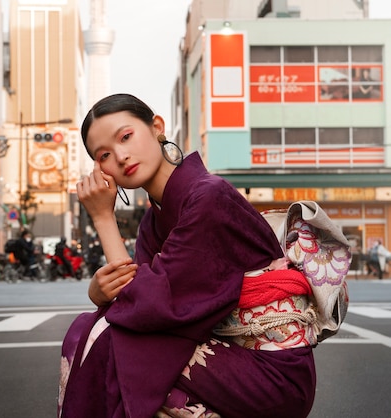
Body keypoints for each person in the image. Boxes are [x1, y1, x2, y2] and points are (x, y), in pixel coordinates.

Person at [58, 94, 317, 418]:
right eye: (105, 154)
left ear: (157, 128)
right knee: (88, 330)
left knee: (112, 346)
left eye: (126, 136)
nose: (121, 156)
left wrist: (103, 219)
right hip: (224, 357)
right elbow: (132, 307)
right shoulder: (154, 221)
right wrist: (100, 293)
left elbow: (146, 308)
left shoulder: (209, 197)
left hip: (270, 372)